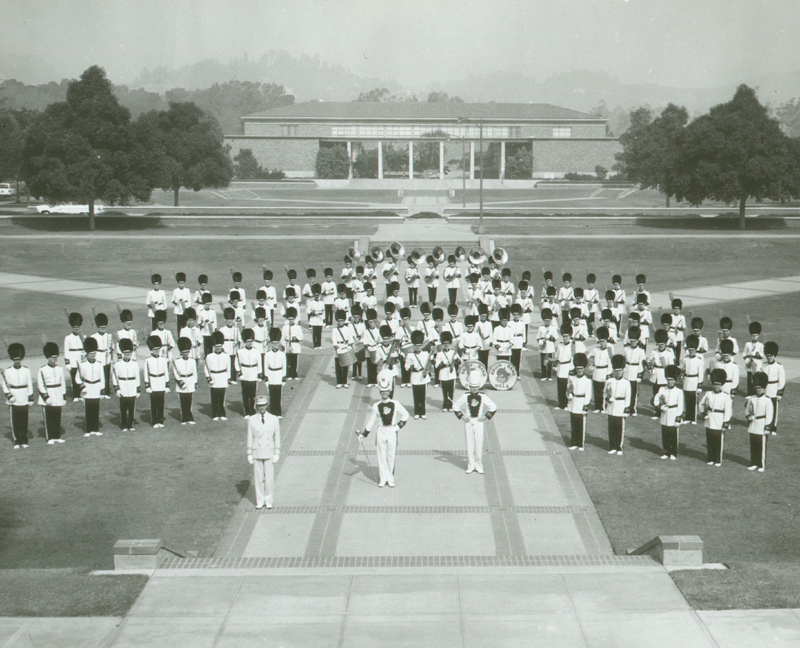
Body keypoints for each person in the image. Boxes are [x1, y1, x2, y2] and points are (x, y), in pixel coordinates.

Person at [358, 374, 410, 488]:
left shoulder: (395, 403)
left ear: (389, 391)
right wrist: (364, 434)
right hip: (381, 431)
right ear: (380, 392)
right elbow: (371, 421)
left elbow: (406, 414)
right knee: (381, 456)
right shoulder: (376, 406)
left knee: (391, 456)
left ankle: (390, 478)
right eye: (382, 391)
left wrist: (398, 427)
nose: (384, 393)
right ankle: (383, 478)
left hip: (391, 431)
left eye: (386, 391)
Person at [453, 369, 497, 474]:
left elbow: (493, 407)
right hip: (468, 421)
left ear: (479, 387)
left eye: (476, 387)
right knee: (469, 443)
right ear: (469, 387)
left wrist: (485, 417)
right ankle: (470, 465)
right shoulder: (465, 396)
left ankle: (478, 465)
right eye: (472, 387)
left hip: (478, 421)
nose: (474, 389)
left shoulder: (482, 396)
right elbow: (455, 406)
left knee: (479, 443)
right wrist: (462, 417)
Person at [247, 395, 281, 509]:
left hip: (269, 451)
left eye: (263, 405)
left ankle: (269, 499)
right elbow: (250, 437)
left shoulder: (274, 418)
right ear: (256, 406)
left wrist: (277, 452)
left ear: (267, 405)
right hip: (257, 451)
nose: (261, 408)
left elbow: (277, 437)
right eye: (259, 406)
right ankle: (260, 500)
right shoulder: (252, 419)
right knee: (258, 477)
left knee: (269, 478)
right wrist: (249, 453)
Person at [698, 368, 732, 466]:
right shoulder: (708, 393)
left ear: (721, 385)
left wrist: (726, 422)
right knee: (710, 439)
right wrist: (703, 413)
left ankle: (717, 459)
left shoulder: (726, 396)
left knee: (718, 441)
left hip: (719, 420)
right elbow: (701, 404)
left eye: (718, 385)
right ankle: (710, 458)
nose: (716, 386)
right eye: (715, 384)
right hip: (709, 419)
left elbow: (728, 410)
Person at [3, 343, 34, 448]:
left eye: (19, 359)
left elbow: (29, 384)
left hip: (24, 396)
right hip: (14, 397)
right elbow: (4, 385)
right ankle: (16, 440)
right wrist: (9, 396)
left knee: (24, 420)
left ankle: (23, 440)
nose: (17, 361)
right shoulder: (7, 371)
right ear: (12, 359)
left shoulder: (26, 370)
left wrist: (30, 397)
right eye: (15, 359)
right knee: (15, 420)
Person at [75, 337, 105, 437]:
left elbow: (102, 378)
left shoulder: (99, 364)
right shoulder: (82, 365)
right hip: (87, 388)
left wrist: (102, 389)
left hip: (96, 387)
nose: (93, 356)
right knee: (88, 409)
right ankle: (88, 430)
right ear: (87, 354)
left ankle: (95, 429)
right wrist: (82, 386)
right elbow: (77, 378)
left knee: (95, 409)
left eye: (94, 354)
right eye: (91, 354)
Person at [653, 365, 684, 460]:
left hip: (673, 413)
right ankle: (667, 451)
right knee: (665, 434)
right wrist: (660, 407)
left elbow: (681, 405)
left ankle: (673, 452)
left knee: (673, 434)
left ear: (674, 380)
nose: (670, 382)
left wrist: (678, 417)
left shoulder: (679, 391)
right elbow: (656, 400)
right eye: (668, 380)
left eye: (671, 380)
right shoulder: (662, 389)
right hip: (664, 414)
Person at [38, 342, 66, 444]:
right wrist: (46, 397)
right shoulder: (42, 369)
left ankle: (57, 436)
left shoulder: (59, 369)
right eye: (52, 357)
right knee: (49, 417)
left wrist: (63, 396)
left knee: (57, 416)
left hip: (58, 393)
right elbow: (40, 384)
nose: (54, 359)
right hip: (48, 394)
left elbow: (62, 382)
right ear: (48, 357)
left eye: (56, 357)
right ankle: (50, 437)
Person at [604, 354, 631, 455]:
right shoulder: (609, 381)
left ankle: (619, 447)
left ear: (623, 371)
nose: (618, 372)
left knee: (620, 428)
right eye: (616, 370)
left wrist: (626, 408)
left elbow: (628, 397)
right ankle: (612, 446)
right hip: (611, 407)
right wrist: (608, 399)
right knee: (611, 427)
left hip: (621, 406)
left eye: (620, 370)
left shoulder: (626, 383)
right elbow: (605, 393)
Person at [745, 371, 773, 472]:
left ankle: (761, 464)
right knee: (754, 445)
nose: (758, 390)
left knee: (761, 446)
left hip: (762, 424)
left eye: (760, 389)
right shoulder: (751, 399)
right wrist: (749, 417)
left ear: (763, 389)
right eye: (756, 389)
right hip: (753, 425)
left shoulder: (767, 400)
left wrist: (767, 427)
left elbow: (770, 415)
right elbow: (747, 410)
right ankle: (754, 463)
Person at [112, 338, 140, 431]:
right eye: (125, 353)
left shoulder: (134, 364)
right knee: (123, 407)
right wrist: (117, 389)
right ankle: (124, 424)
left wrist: (138, 389)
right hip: (122, 385)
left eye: (129, 353)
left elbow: (137, 377)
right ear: (122, 354)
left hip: (131, 386)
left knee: (131, 407)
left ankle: (130, 424)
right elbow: (115, 377)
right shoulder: (118, 364)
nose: (127, 355)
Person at [566, 352, 592, 450]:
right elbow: (568, 389)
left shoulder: (587, 381)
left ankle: (580, 443)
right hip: (574, 403)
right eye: (577, 369)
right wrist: (569, 395)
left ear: (584, 369)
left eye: (581, 369)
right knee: (574, 424)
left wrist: (586, 405)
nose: (579, 371)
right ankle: (574, 442)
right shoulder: (572, 378)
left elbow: (588, 394)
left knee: (581, 424)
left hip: (581, 403)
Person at [144, 335, 169, 428]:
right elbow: (146, 374)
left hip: (161, 382)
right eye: (154, 349)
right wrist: (147, 386)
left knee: (161, 402)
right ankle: (154, 421)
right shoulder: (148, 360)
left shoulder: (163, 360)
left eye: (158, 349)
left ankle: (160, 420)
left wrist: (167, 385)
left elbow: (166, 372)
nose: (156, 351)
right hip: (153, 383)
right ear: (151, 350)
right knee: (154, 403)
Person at [204, 330, 230, 421]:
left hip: (222, 376)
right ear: (213, 346)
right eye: (216, 347)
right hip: (214, 377)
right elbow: (206, 368)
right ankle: (215, 413)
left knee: (222, 396)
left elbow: (228, 368)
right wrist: (208, 378)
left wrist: (228, 378)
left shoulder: (226, 356)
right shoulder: (209, 356)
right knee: (214, 396)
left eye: (219, 346)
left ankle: (222, 413)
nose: (218, 348)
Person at [405, 330, 431, 419]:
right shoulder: (410, 355)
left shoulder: (426, 353)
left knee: (423, 396)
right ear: (413, 346)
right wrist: (412, 367)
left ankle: (423, 412)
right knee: (416, 395)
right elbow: (406, 367)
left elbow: (428, 364)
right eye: (416, 346)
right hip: (415, 376)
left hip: (423, 377)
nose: (417, 348)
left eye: (419, 346)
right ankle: (416, 412)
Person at [680, 335, 704, 425]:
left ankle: (693, 418)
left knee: (693, 400)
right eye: (690, 351)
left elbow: (701, 373)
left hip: (694, 380)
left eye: (693, 351)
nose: (691, 352)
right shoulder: (685, 359)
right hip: (687, 380)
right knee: (687, 399)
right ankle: (687, 417)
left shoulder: (698, 360)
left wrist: (699, 385)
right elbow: (682, 369)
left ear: (695, 351)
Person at [588, 326, 614, 412]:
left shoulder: (609, 349)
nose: (602, 343)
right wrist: (591, 361)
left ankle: (603, 407)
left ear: (606, 340)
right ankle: (597, 407)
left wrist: (608, 373)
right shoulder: (596, 349)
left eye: (603, 341)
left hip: (604, 371)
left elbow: (610, 362)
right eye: (600, 341)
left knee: (604, 391)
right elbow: (589, 356)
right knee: (596, 390)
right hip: (596, 371)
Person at [236, 329, 261, 418]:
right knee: (245, 393)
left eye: (251, 341)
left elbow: (259, 362)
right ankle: (246, 410)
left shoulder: (256, 351)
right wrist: (239, 373)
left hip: (253, 372)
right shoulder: (240, 351)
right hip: (244, 373)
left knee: (253, 393)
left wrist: (259, 373)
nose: (249, 343)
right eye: (247, 342)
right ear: (244, 342)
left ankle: (252, 409)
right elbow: (237, 362)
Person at [173, 337, 197, 425]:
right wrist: (180, 382)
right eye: (184, 353)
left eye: (187, 352)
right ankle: (184, 418)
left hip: (190, 381)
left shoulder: (192, 361)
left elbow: (195, 372)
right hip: (182, 381)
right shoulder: (177, 361)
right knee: (182, 400)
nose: (186, 354)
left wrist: (195, 382)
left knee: (189, 400)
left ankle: (190, 417)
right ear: (181, 353)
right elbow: (175, 373)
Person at [762, 341, 785, 436]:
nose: (769, 358)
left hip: (774, 390)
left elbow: (782, 380)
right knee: (765, 408)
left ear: (774, 356)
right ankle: (766, 425)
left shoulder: (779, 366)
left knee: (774, 409)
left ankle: (773, 427)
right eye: (767, 356)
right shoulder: (763, 365)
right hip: (765, 390)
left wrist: (779, 392)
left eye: (771, 356)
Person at [91, 312, 114, 398]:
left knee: (107, 375)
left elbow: (112, 348)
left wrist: (111, 357)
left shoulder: (109, 336)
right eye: (101, 328)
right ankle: (100, 392)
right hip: (99, 356)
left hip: (106, 356)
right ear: (98, 327)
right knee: (99, 375)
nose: (102, 329)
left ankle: (106, 392)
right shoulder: (94, 336)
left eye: (104, 328)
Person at [436, 331, 459, 411]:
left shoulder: (453, 352)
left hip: (451, 374)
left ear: (450, 344)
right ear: (443, 344)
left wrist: (456, 360)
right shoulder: (439, 354)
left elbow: (459, 361)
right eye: (445, 344)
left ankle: (451, 404)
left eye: (448, 344)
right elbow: (436, 365)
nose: (446, 346)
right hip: (443, 374)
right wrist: (443, 364)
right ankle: (445, 405)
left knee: (451, 390)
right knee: (444, 390)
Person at [64, 311, 85, 401]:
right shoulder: (68, 338)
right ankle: (75, 395)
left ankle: (81, 394)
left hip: (81, 359)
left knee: (81, 377)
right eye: (75, 328)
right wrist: (67, 363)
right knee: (73, 378)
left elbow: (85, 347)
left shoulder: (82, 336)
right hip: (72, 359)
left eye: (78, 327)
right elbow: (66, 351)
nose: (76, 329)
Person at [743, 321, 766, 395]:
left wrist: (755, 354)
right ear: (751, 336)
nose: (754, 337)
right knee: (749, 379)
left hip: (757, 364)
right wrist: (746, 359)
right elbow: (744, 353)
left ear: (758, 336)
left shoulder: (760, 345)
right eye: (753, 336)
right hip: (750, 364)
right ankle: (749, 393)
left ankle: (755, 392)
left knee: (756, 378)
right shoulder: (747, 344)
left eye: (755, 336)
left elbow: (762, 355)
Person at [172, 272, 192, 337]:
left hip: (185, 310)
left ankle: (185, 337)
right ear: (178, 283)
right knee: (179, 326)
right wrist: (177, 301)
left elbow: (189, 301)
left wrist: (188, 310)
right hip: (178, 310)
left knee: (184, 325)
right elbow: (173, 300)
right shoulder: (175, 291)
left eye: (182, 283)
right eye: (180, 283)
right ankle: (179, 337)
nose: (181, 284)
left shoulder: (187, 290)